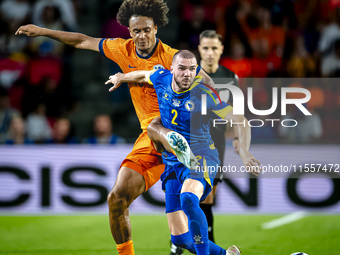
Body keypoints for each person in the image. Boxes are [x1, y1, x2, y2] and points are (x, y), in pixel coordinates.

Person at [15, 1, 214, 254]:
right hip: (151, 140)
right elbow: (81, 41)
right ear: (129, 32)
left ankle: (176, 143)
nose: (141, 36)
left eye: (146, 30)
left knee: (157, 126)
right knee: (116, 199)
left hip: (183, 134)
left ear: (156, 29)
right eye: (136, 31)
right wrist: (43, 31)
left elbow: (205, 79)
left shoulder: (171, 58)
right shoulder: (122, 49)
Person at [106, 50, 261, 255]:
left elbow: (240, 120)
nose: (187, 74)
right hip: (173, 163)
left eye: (192, 69)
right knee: (181, 239)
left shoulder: (204, 94)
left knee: (188, 198)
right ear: (172, 69)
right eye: (181, 68)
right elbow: (143, 74)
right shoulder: (161, 78)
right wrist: (121, 77)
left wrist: (244, 152)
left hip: (202, 157)